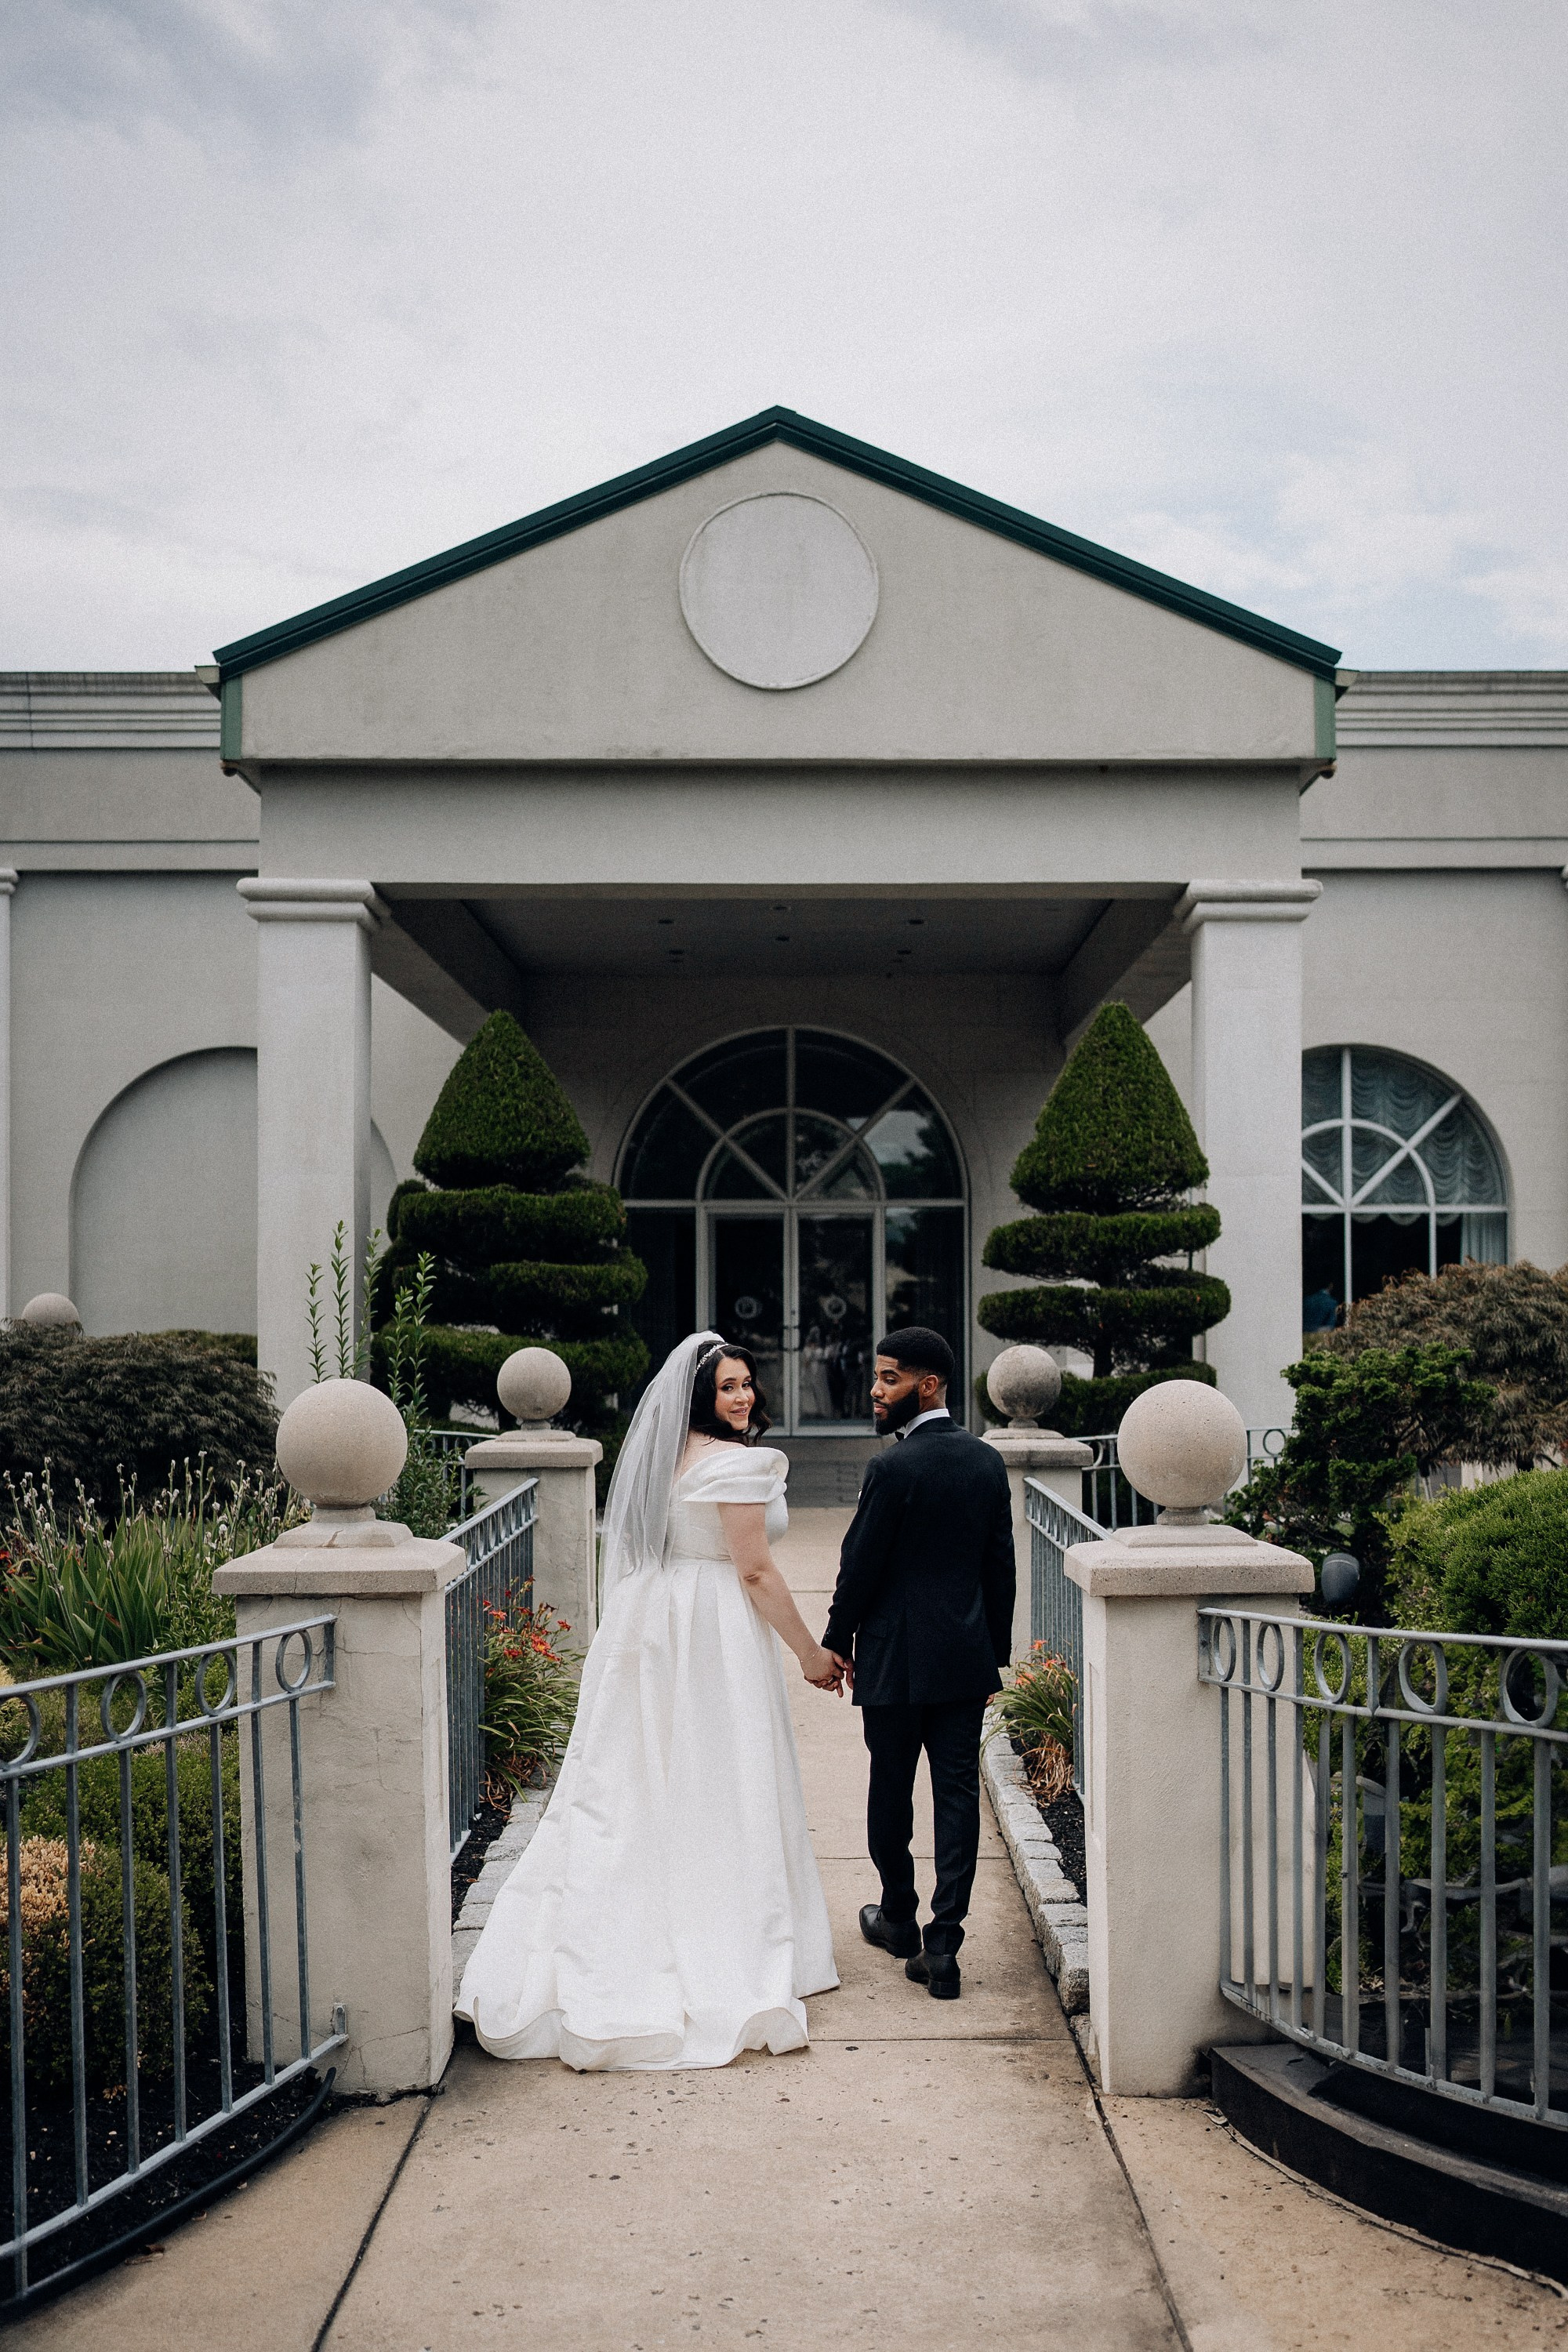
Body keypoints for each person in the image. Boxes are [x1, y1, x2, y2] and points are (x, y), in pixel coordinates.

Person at [456, 1331, 841, 2070]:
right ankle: (722, 1930)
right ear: (701, 1396)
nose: (744, 1396)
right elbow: (755, 1572)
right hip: (715, 1631)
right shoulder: (739, 1464)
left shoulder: (669, 1458)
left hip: (654, 1623)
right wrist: (810, 1654)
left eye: (747, 1384)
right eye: (728, 1387)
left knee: (636, 1782)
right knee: (718, 1775)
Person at [821, 1326, 1015, 2002]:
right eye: (877, 1377)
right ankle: (945, 1946)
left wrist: (835, 1639)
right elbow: (1001, 1571)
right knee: (957, 1794)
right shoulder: (986, 1462)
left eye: (890, 1378)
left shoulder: (891, 1469)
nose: (875, 1390)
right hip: (964, 1660)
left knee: (890, 1787)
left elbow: (859, 1568)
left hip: (894, 1661)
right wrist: (995, 1656)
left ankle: (898, 1919)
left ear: (928, 1384)